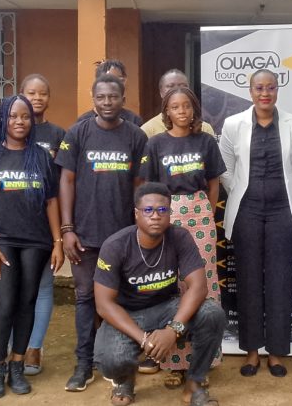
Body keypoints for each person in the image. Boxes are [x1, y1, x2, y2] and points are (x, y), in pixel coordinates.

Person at [93, 182, 226, 406]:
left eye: (162, 210)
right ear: (136, 214)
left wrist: (173, 330)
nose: (155, 216)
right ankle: (125, 380)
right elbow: (104, 304)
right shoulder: (115, 245)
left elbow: (198, 287)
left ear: (170, 213)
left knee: (212, 313)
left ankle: (194, 383)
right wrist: (143, 339)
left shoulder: (180, 237)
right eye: (148, 210)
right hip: (128, 313)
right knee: (110, 360)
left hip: (167, 307)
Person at [56, 74, 148, 391]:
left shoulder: (136, 136)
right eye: (101, 97)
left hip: (124, 237)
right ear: (93, 99)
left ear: (123, 98)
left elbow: (140, 186)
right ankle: (84, 364)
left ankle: (122, 363)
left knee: (123, 298)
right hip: (85, 235)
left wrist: (139, 230)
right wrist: (67, 229)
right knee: (85, 298)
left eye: (113, 96)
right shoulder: (77, 133)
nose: (107, 102)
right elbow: (66, 181)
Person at [0, 95, 62, 398]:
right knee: (5, 304)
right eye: (13, 116)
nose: (19, 122)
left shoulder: (42, 157)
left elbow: (51, 201)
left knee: (27, 303)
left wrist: (57, 242)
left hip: (36, 241)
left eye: (24, 117)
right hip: (0, 242)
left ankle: (17, 364)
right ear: (3, 120)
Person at [219, 68, 292, 378]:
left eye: (270, 87)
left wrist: (276, 190)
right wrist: (245, 191)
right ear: (250, 91)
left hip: (283, 210)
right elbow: (226, 169)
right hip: (247, 210)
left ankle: (277, 352)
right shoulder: (233, 124)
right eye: (259, 88)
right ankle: (253, 351)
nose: (265, 93)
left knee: (280, 280)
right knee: (248, 280)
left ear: (277, 90)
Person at [138, 87, 226, 386]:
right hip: (167, 214)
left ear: (194, 109)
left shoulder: (206, 141)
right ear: (167, 112)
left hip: (200, 213)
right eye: (175, 107)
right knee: (173, 284)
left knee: (203, 283)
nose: (182, 111)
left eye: (186, 106)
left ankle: (202, 362)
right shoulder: (155, 144)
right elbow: (149, 188)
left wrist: (207, 212)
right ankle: (174, 363)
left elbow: (213, 183)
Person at [17, 73, 67, 377]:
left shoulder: (58, 134)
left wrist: (60, 232)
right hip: (11, 223)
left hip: (45, 220)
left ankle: (34, 346)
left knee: (43, 285)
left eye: (42, 93)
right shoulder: (5, 131)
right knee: (13, 287)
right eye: (31, 93)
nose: (37, 98)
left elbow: (62, 183)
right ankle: (15, 345)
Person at [139, 69, 215, 137]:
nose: (177, 90)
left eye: (183, 86)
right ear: (161, 92)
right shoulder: (148, 130)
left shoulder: (204, 129)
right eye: (170, 86)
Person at [76, 59, 143, 126]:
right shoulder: (82, 124)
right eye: (110, 79)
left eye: (120, 80)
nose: (107, 103)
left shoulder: (134, 120)